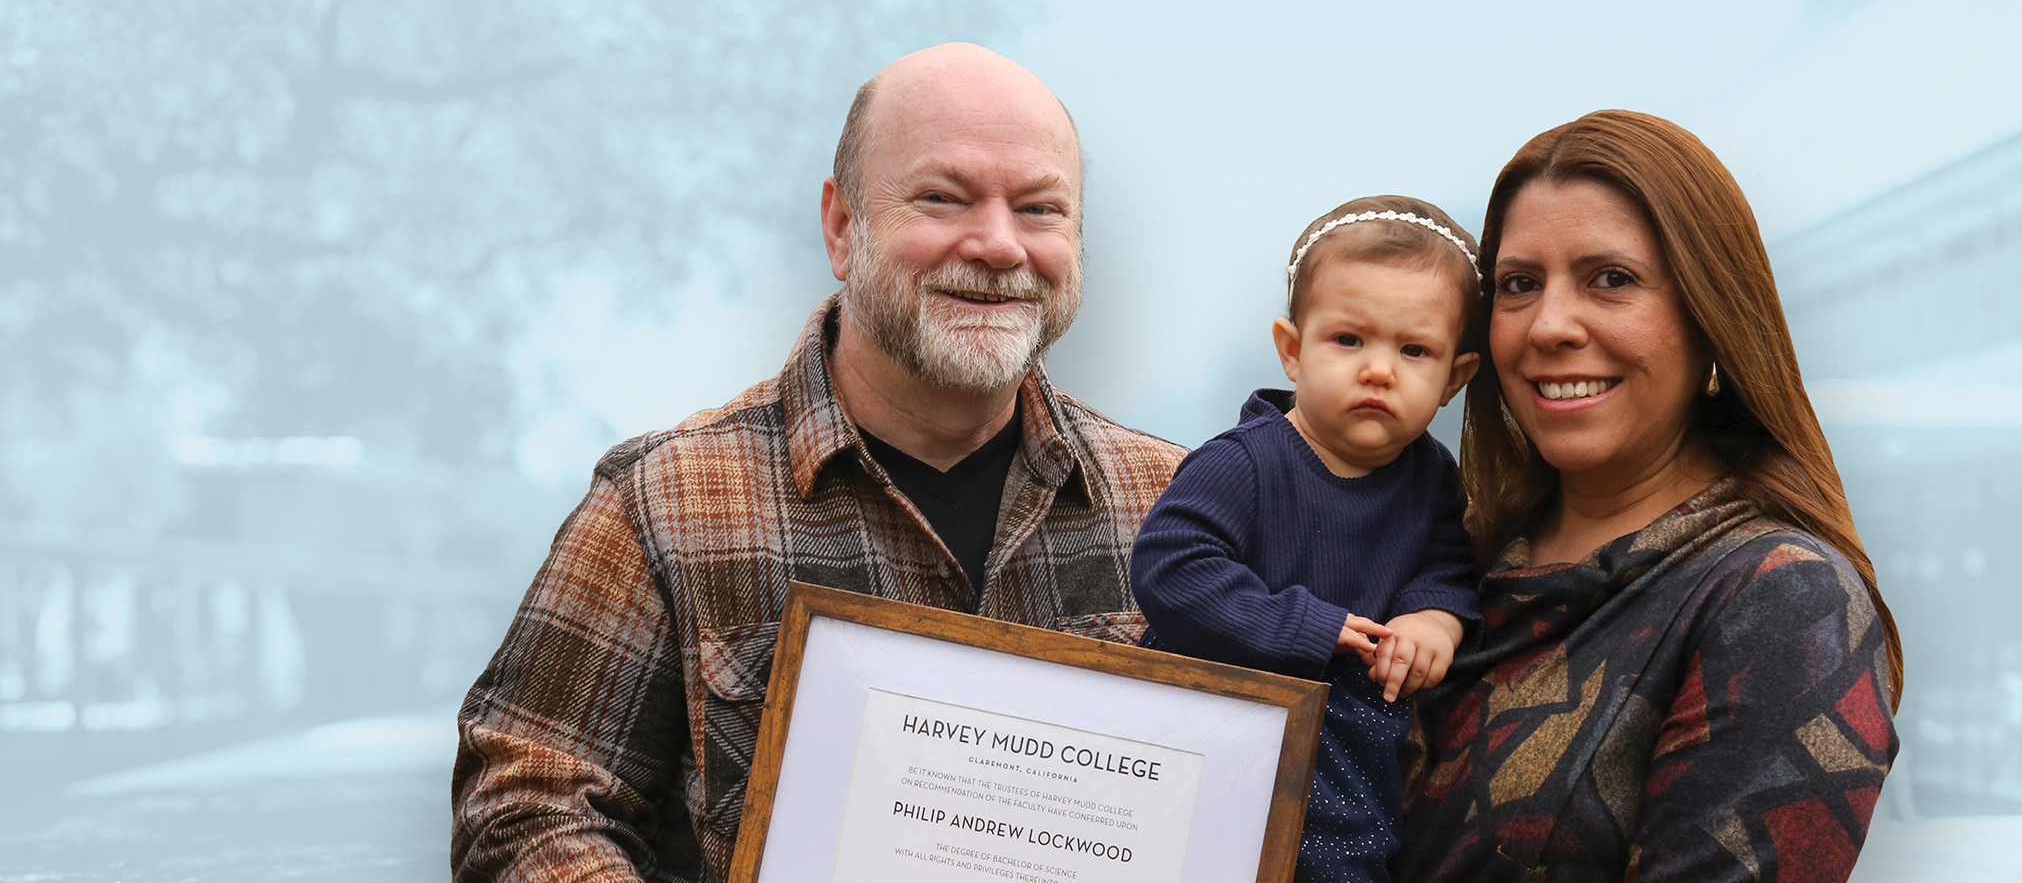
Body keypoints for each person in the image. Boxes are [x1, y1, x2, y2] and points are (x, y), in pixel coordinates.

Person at [450, 44, 1186, 883]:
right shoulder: (662, 504)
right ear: (841, 226)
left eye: (1040, 209)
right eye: (942, 199)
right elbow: (525, 807)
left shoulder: (1183, 503)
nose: (997, 244)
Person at [1396, 111, 1904, 882]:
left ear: (1711, 317)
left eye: (1612, 279)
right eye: (1519, 285)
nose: (1550, 325)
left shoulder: (1786, 602)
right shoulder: (1445, 561)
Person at [1132, 196, 1485, 883]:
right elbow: (1172, 568)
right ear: (1293, 351)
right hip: (1218, 730)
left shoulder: (1433, 480)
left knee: (1345, 863)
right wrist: (1306, 625)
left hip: (1349, 755)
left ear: (1455, 378)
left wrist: (1430, 620)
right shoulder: (1244, 462)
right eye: (1348, 340)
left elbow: (1444, 567)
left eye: (1414, 350)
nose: (1379, 369)